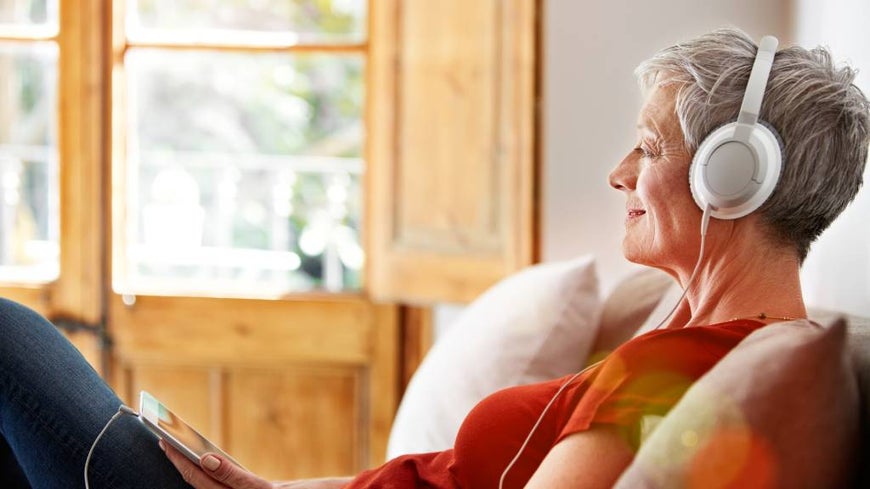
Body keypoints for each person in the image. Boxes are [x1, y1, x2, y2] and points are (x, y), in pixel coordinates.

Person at [1, 27, 868, 489]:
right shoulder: (690, 339)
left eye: (648, 148)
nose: (619, 174)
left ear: (735, 178)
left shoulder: (694, 368)